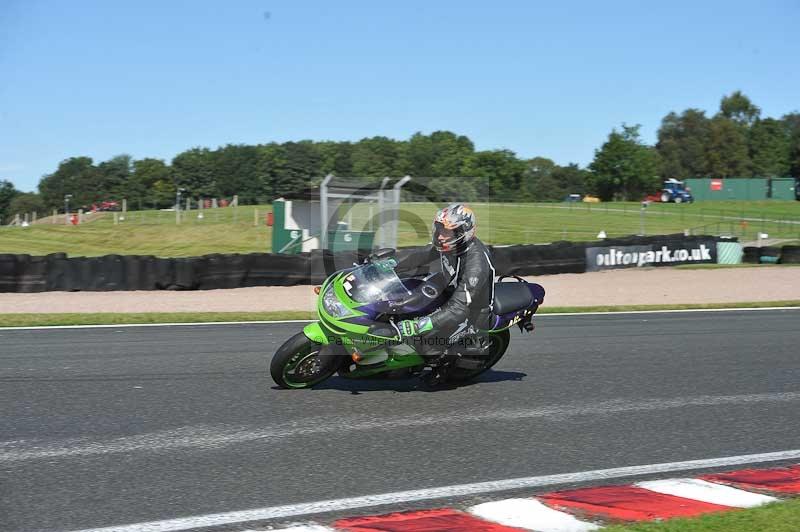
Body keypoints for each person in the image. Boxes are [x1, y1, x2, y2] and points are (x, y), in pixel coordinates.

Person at [397, 203, 496, 383]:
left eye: (446, 232)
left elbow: (459, 308)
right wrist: (391, 262)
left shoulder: (476, 264)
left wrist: (420, 325)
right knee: (405, 301)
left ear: (462, 233)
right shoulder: (449, 244)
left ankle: (442, 367)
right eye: (439, 228)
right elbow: (422, 254)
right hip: (450, 290)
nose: (440, 235)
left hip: (470, 310)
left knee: (424, 341)